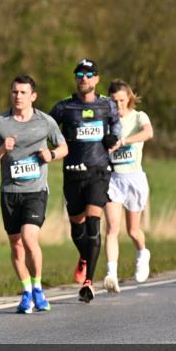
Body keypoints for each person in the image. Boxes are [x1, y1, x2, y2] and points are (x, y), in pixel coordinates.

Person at [0, 75, 68, 313]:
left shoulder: (45, 121)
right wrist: (2, 149)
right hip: (10, 192)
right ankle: (26, 291)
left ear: (33, 96)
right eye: (14, 92)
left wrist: (50, 155)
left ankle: (39, 289)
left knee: (29, 238)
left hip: (36, 191)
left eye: (22, 92)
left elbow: (64, 147)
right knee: (16, 245)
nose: (17, 96)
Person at [50, 59, 122, 303]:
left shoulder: (107, 105)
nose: (84, 78)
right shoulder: (64, 108)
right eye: (80, 74)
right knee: (77, 226)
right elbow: (47, 129)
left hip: (99, 171)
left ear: (97, 79)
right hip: (72, 172)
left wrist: (114, 138)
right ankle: (84, 257)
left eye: (89, 74)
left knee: (93, 223)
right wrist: (55, 142)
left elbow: (116, 125)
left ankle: (89, 282)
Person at [103, 80, 154, 292]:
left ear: (129, 98)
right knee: (112, 228)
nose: (118, 105)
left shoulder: (138, 116)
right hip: (113, 179)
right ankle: (111, 274)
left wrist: (123, 141)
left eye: (122, 100)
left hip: (134, 178)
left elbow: (148, 133)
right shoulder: (105, 121)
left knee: (133, 231)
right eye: (114, 102)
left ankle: (143, 253)